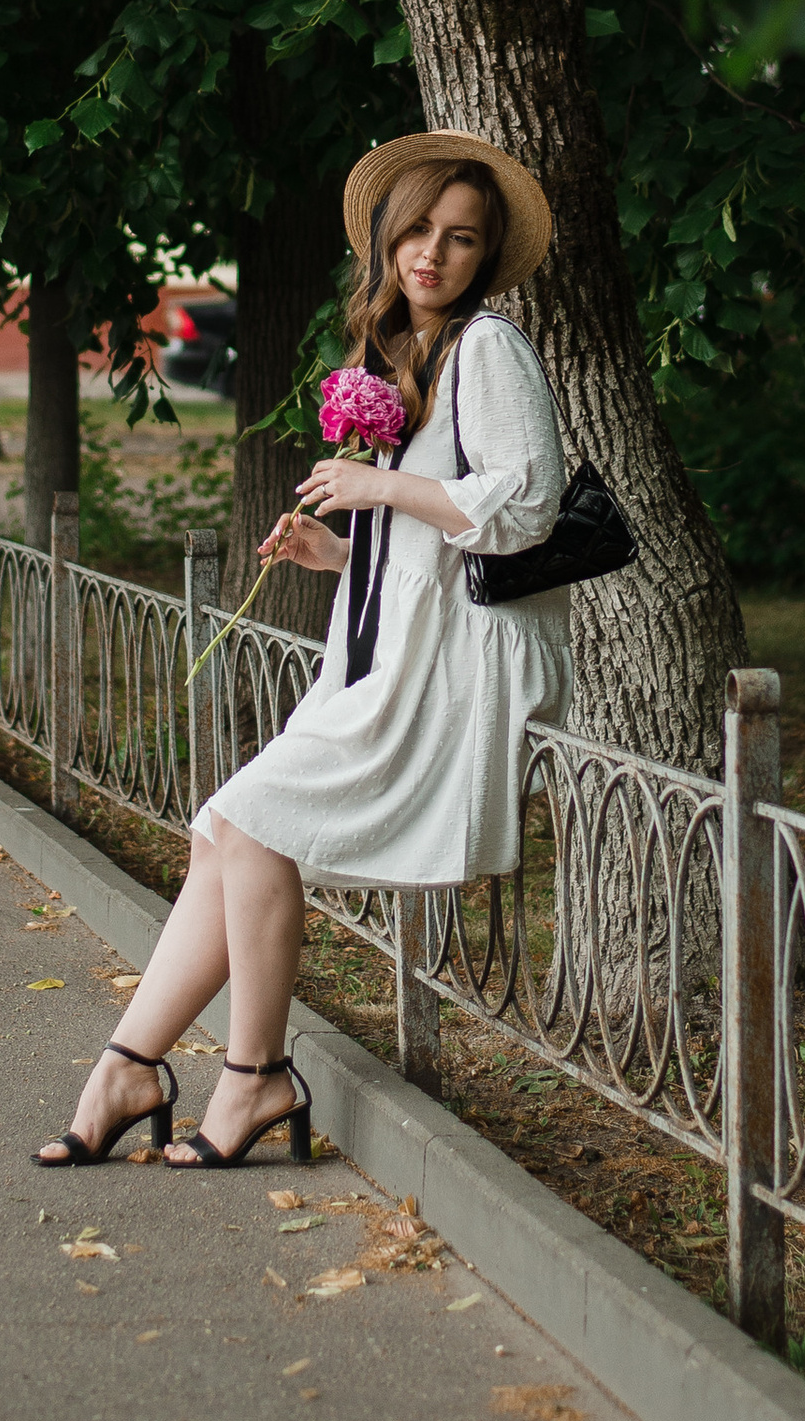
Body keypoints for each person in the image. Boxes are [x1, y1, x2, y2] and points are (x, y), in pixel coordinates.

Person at [36, 129, 571, 1170]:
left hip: (452, 674)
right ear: (384, 239)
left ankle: (251, 1076)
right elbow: (433, 525)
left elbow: (527, 506)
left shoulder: (488, 348)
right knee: (225, 834)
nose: (432, 253)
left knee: (250, 824)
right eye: (416, 229)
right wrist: (341, 549)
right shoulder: (410, 354)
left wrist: (375, 487)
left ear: (485, 257)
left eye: (460, 239)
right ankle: (131, 1065)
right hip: (394, 649)